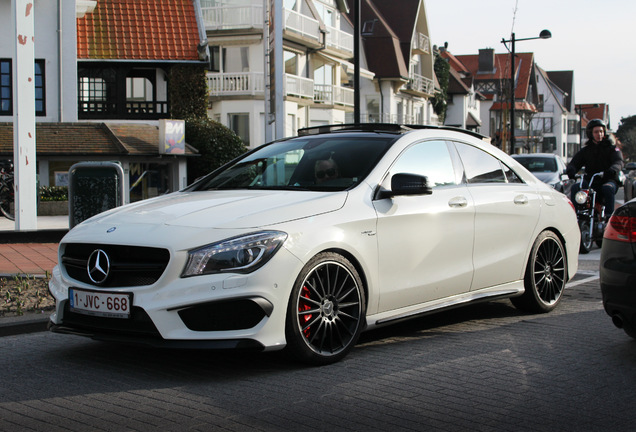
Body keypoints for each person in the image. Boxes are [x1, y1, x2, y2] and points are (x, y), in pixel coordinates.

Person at [566, 119, 624, 218]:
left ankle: (609, 218)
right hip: (591, 181)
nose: (599, 134)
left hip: (608, 179)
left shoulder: (612, 148)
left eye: (601, 131)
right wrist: (571, 170)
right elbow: (575, 163)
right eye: (596, 132)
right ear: (590, 133)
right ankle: (575, 216)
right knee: (576, 187)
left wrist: (612, 170)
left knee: (607, 188)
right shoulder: (586, 150)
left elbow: (618, 162)